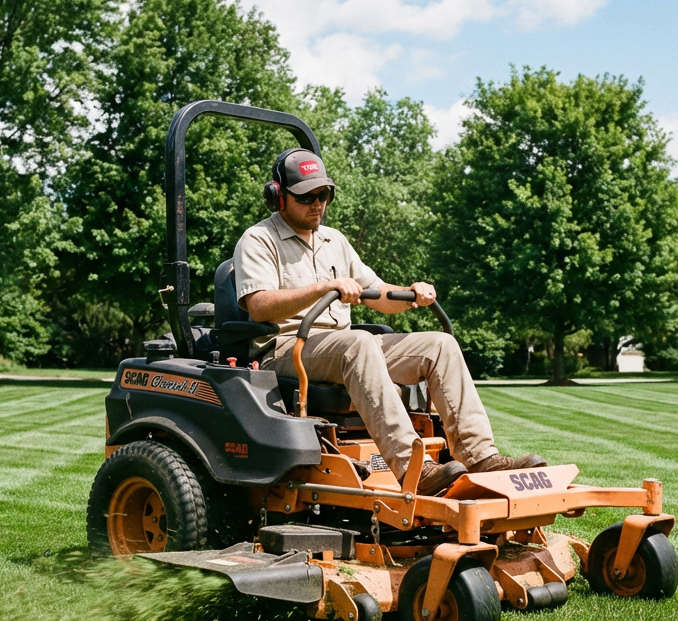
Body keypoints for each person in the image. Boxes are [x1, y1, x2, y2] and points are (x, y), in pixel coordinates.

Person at [232, 148, 544, 495]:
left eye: (324, 195)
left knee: (440, 345)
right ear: (278, 197)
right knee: (360, 342)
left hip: (344, 346)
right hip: (290, 349)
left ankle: (481, 457)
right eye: (307, 197)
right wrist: (325, 287)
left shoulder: (335, 240)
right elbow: (259, 305)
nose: (317, 204)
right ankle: (415, 469)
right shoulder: (259, 239)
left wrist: (411, 293)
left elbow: (377, 293)